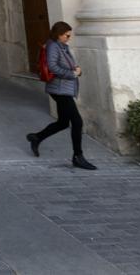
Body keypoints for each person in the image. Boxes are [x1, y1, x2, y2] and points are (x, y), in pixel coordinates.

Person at [26, 21, 97, 170]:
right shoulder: (53, 46)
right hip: (59, 89)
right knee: (77, 122)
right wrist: (72, 74)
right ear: (59, 34)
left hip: (63, 88)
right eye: (67, 35)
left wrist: (77, 70)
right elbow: (53, 67)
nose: (69, 38)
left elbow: (67, 64)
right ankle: (77, 156)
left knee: (63, 122)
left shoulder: (61, 46)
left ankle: (36, 137)